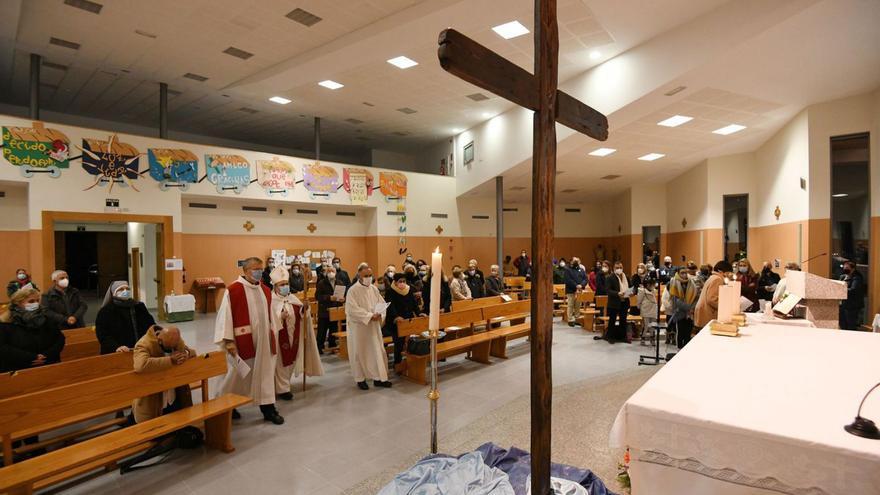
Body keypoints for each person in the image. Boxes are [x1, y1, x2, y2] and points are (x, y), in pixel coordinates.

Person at [214, 257, 284, 425]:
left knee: (264, 375)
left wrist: (275, 332)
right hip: (240, 343)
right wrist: (228, 341)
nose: (259, 272)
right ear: (245, 271)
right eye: (255, 269)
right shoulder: (233, 290)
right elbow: (225, 317)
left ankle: (268, 408)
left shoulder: (265, 290)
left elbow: (271, 317)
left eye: (261, 269)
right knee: (236, 376)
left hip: (264, 343)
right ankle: (228, 406)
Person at [270, 266, 323, 401]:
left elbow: (302, 314)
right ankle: (282, 389)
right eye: (282, 285)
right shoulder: (271, 300)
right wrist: (279, 316)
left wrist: (304, 308)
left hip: (294, 335)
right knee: (281, 363)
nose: (285, 286)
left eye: (286, 284)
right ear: (275, 286)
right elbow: (268, 320)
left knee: (291, 360)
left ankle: (284, 385)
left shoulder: (292, 297)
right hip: (278, 338)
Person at [131, 325, 196, 423]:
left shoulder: (174, 339)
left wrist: (186, 354)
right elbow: (140, 365)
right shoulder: (144, 344)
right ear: (160, 340)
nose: (172, 349)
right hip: (153, 398)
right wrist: (170, 360)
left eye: (174, 346)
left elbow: (190, 352)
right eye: (169, 347)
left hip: (173, 394)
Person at [345, 264, 392, 390]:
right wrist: (370, 316)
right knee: (360, 352)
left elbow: (382, 304)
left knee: (377, 351)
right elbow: (352, 310)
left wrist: (380, 313)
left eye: (370, 275)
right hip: (359, 328)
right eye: (366, 276)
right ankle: (360, 379)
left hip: (373, 327)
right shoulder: (353, 290)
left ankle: (379, 378)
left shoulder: (374, 289)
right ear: (359, 275)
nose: (368, 278)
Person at [0, 287, 65, 372]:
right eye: (31, 301)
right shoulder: (5, 323)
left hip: (47, 363)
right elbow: (3, 347)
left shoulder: (45, 318)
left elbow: (59, 338)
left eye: (37, 300)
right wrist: (32, 357)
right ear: (18, 303)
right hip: (18, 368)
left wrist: (46, 355)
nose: (36, 304)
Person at [95, 281, 155, 354]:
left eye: (127, 289)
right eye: (121, 289)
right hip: (118, 351)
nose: (125, 291)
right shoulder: (106, 311)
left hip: (141, 349)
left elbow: (150, 325)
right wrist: (116, 347)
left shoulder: (138, 306)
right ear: (114, 292)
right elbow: (103, 334)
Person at [385, 273, 425, 367]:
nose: (402, 283)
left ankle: (408, 361)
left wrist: (419, 313)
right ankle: (397, 363)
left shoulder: (408, 289)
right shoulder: (390, 291)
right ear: (395, 282)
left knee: (409, 341)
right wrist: (395, 316)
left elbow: (414, 303)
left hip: (407, 319)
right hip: (396, 321)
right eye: (400, 281)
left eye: (404, 281)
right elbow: (390, 306)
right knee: (398, 343)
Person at [315, 264, 346, 353]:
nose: (331, 273)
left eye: (333, 271)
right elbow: (318, 297)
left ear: (336, 273)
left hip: (335, 310)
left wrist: (343, 299)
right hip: (324, 311)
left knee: (333, 329)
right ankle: (319, 348)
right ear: (326, 273)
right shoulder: (321, 283)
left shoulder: (339, 283)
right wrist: (329, 297)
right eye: (329, 271)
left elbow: (342, 295)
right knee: (322, 331)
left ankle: (332, 345)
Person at [665, 269, 698, 349]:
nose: (684, 274)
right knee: (680, 334)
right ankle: (679, 351)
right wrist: (688, 308)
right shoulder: (674, 282)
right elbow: (675, 300)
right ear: (678, 274)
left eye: (685, 272)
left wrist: (692, 308)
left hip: (690, 314)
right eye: (682, 273)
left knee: (688, 334)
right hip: (679, 313)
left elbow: (696, 297)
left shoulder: (692, 282)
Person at [695, 260, 733, 328]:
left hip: (704, 310)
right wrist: (725, 307)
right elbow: (711, 299)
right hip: (707, 312)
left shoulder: (713, 277)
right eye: (727, 273)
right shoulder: (717, 279)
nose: (728, 275)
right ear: (720, 271)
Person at [600, 261, 630, 343]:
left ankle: (623, 337)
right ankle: (610, 337)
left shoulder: (626, 277)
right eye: (617, 268)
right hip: (614, 302)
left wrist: (631, 292)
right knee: (612, 320)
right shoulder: (610, 277)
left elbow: (630, 287)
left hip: (624, 301)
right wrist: (617, 293)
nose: (619, 269)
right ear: (613, 269)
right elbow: (608, 290)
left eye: (620, 267)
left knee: (623, 320)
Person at [839, 260, 866, 330]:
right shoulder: (842, 276)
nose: (845, 269)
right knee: (842, 324)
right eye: (844, 267)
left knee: (851, 325)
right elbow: (838, 285)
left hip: (852, 306)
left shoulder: (857, 277)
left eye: (847, 268)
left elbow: (853, 290)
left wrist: (841, 289)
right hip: (843, 304)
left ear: (853, 268)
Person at [563, 257, 588, 327]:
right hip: (571, 290)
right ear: (571, 262)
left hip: (580, 290)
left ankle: (577, 318)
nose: (576, 262)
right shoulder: (568, 270)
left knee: (578, 305)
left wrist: (581, 285)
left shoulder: (581, 269)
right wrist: (576, 285)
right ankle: (570, 319)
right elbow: (568, 280)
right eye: (575, 261)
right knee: (571, 304)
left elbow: (585, 279)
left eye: (577, 261)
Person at [637, 279, 659, 345]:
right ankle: (643, 338)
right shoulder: (642, 291)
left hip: (653, 309)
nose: (654, 285)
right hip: (645, 309)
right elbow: (639, 301)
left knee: (653, 325)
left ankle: (652, 338)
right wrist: (639, 307)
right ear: (648, 284)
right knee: (646, 325)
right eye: (652, 284)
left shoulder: (654, 291)